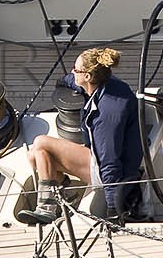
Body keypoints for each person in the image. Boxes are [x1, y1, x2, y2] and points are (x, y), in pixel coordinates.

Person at [20, 46, 144, 224]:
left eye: (76, 69)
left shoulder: (106, 113)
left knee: (40, 142)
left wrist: (113, 208)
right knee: (34, 156)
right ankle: (63, 193)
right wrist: (62, 81)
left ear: (87, 76)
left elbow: (109, 160)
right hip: (104, 160)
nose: (72, 71)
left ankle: (47, 209)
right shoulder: (108, 84)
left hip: (114, 172)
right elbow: (73, 80)